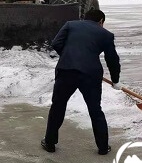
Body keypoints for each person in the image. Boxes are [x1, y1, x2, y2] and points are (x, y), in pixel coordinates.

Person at [42, 9, 120, 155]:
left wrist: (68, 57)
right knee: (95, 110)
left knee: (58, 106)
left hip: (66, 71)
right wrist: (115, 80)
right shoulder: (106, 34)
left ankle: (49, 143)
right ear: (101, 21)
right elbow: (112, 60)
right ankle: (103, 147)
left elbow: (56, 43)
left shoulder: (70, 25)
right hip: (90, 74)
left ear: (84, 18)